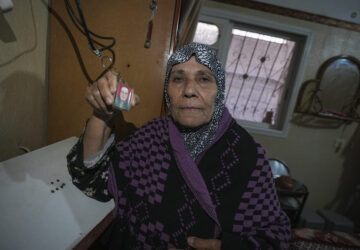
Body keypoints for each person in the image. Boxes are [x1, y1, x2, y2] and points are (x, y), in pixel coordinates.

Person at [67, 43, 291, 249]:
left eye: (204, 79)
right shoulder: (151, 136)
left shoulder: (247, 155)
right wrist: (101, 115)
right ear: (168, 91)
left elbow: (275, 236)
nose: (189, 90)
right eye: (178, 79)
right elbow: (93, 180)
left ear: (219, 91)